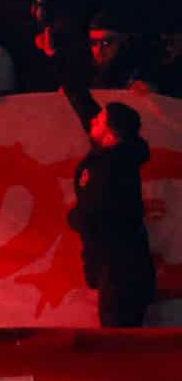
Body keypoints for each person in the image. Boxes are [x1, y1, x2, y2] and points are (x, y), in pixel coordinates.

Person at [62, 79, 153, 327]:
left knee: (118, 342)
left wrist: (76, 217)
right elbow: (87, 112)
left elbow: (101, 213)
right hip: (116, 266)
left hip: (122, 270)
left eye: (100, 120)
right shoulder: (112, 154)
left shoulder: (114, 167)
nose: (93, 120)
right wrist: (64, 72)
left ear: (111, 136)